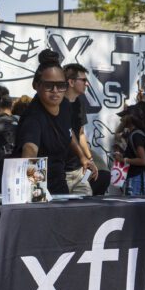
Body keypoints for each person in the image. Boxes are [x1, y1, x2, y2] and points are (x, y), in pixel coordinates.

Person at [14, 50, 97, 196]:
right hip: (38, 186)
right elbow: (29, 151)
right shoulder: (33, 117)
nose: (55, 91)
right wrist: (35, 192)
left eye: (60, 85)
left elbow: (67, 131)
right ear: (36, 85)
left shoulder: (65, 105)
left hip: (59, 181)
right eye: (48, 86)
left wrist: (83, 157)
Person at [63, 63, 94, 195]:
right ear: (71, 82)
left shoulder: (80, 102)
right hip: (61, 172)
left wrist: (90, 159)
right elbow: (68, 133)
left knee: (87, 206)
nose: (87, 84)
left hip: (78, 170)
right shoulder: (57, 105)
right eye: (84, 80)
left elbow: (80, 133)